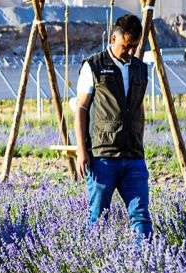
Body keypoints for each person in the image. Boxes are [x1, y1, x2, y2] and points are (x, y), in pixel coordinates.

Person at [74, 14, 152, 243]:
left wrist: (139, 140)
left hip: (134, 157)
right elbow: (81, 109)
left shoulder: (140, 69)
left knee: (141, 218)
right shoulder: (94, 66)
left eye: (134, 47)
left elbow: (139, 108)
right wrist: (81, 150)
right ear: (113, 38)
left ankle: (145, 267)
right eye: (126, 46)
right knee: (97, 220)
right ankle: (92, 265)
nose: (129, 53)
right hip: (102, 157)